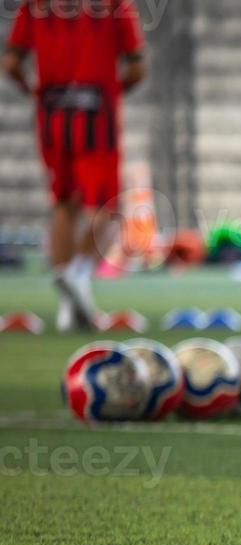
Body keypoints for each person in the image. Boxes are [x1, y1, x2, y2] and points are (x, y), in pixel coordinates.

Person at [3, 0, 146, 332]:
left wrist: (34, 91)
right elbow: (137, 66)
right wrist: (115, 91)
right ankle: (78, 274)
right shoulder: (113, 5)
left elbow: (10, 62)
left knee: (64, 203)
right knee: (110, 207)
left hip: (52, 113)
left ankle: (68, 307)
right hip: (98, 111)